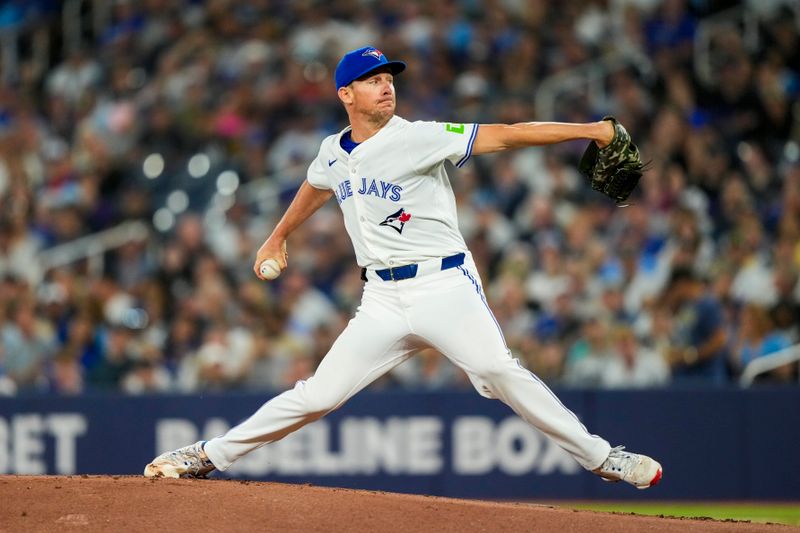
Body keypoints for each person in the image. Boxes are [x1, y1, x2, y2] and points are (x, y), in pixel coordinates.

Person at [145, 46, 662, 489]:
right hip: (381, 301)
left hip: (443, 284)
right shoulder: (332, 151)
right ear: (345, 94)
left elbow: (505, 134)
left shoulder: (418, 136)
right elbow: (316, 185)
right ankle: (208, 456)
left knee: (496, 370)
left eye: (389, 80)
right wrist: (278, 237)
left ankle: (602, 458)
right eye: (372, 81)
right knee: (318, 394)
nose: (386, 88)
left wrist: (591, 129)